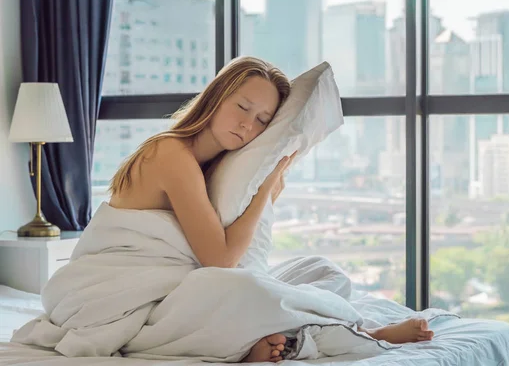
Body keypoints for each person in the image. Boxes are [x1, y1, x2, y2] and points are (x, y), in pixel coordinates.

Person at [107, 56, 433, 363]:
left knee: (321, 271)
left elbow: (234, 246)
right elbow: (219, 260)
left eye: (262, 120)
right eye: (242, 107)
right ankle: (361, 333)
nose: (247, 124)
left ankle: (258, 343)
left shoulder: (214, 164)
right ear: (215, 98)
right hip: (137, 300)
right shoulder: (170, 153)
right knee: (248, 290)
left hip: (185, 286)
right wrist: (266, 185)